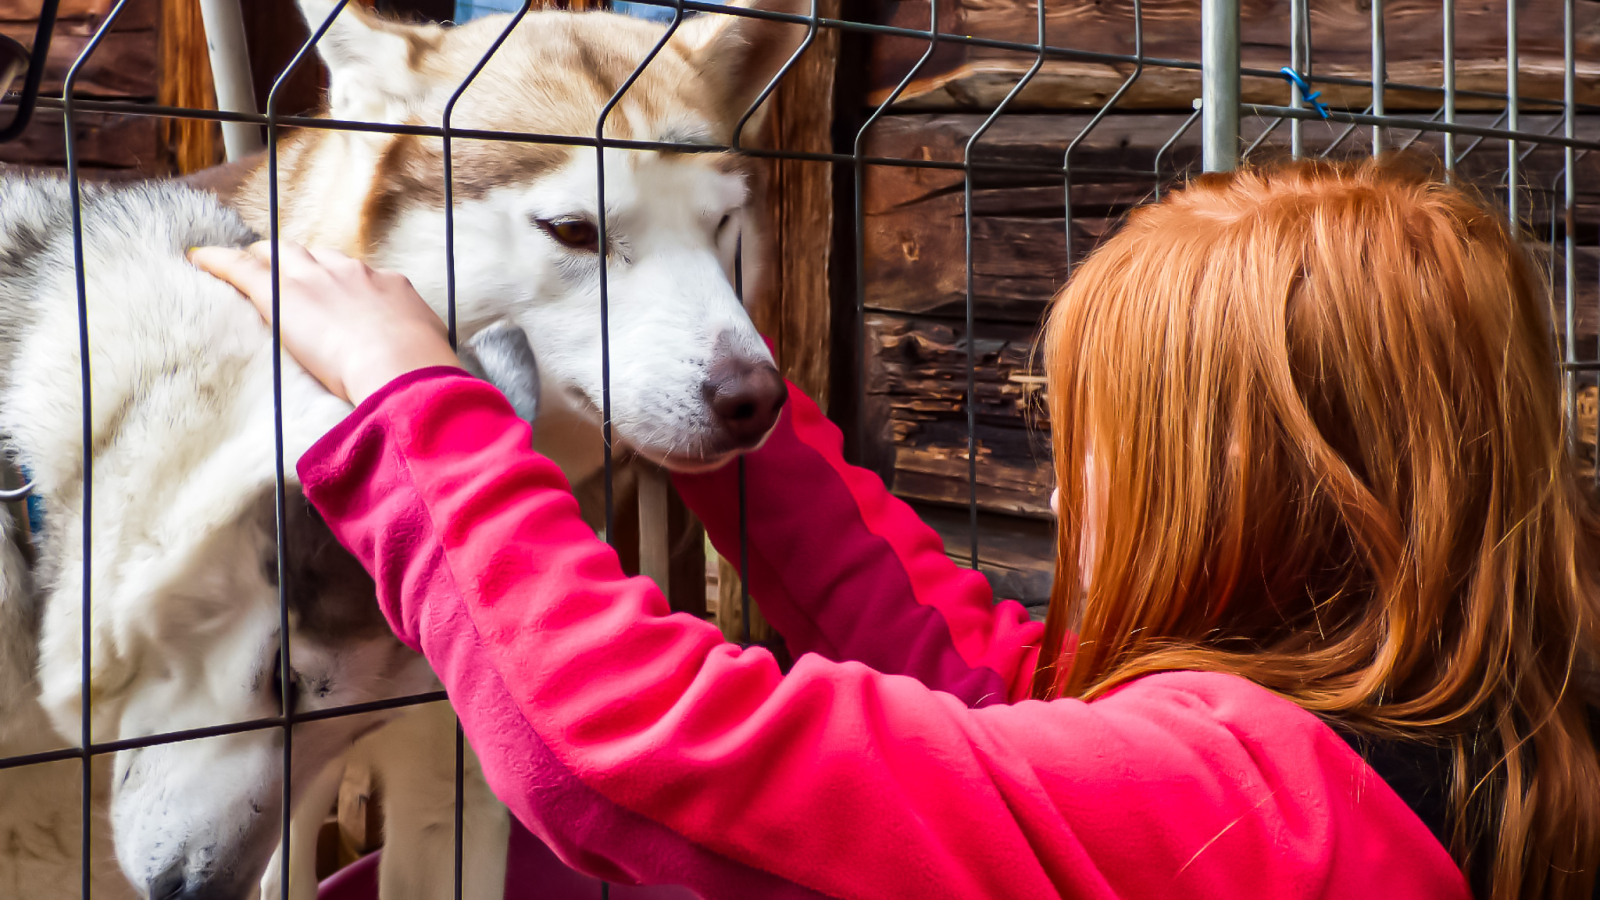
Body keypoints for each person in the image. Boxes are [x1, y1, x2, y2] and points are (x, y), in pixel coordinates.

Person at [190, 158, 1600, 900]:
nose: (1059, 493)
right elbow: (974, 674)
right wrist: (726, 403)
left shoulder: (1227, 809)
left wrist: (415, 407)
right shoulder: (1427, 739)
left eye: (1099, 451)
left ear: (1253, 489)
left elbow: (634, 753)